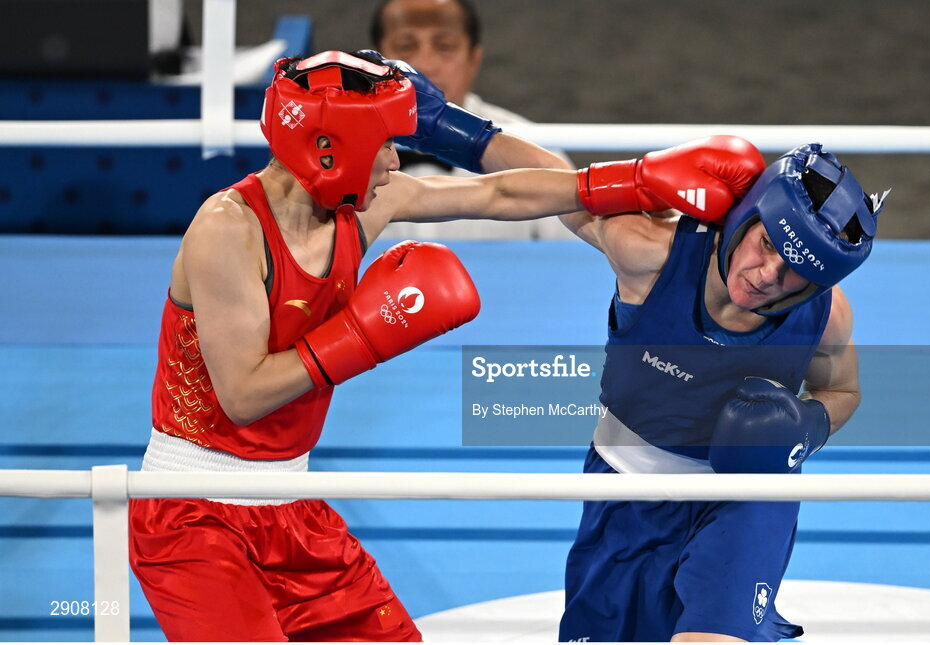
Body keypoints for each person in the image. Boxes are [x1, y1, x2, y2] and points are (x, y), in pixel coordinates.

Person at [127, 49, 741, 641]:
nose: (396, 163)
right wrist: (366, 334)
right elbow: (242, 395)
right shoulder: (226, 230)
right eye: (384, 146)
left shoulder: (363, 208)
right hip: (190, 511)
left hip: (289, 503)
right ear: (327, 152)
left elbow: (502, 195)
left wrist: (633, 182)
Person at [557, 141, 888, 642]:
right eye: (770, 246)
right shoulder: (652, 252)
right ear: (746, 218)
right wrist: (456, 133)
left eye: (797, 272)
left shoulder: (826, 315)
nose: (766, 276)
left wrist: (804, 427)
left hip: (747, 497)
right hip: (625, 486)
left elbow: (842, 390)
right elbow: (543, 191)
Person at [369, 0, 575, 240]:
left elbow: (579, 258)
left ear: (473, 59)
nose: (424, 65)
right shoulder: (338, 148)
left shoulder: (534, 148)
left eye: (444, 47)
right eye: (406, 47)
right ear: (378, 60)